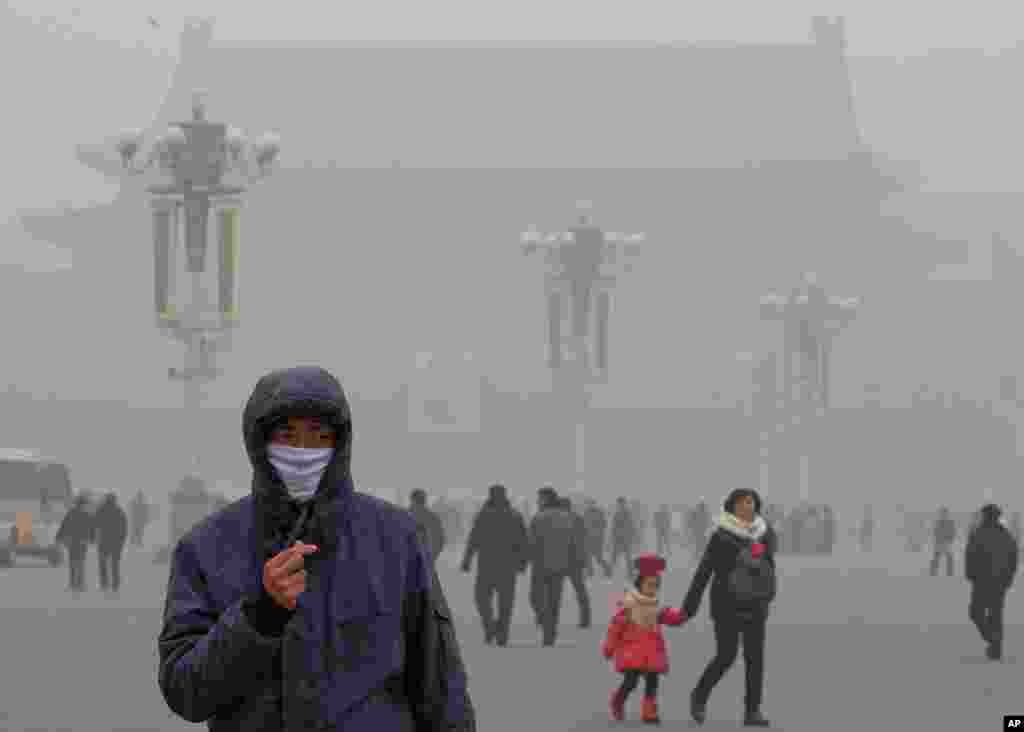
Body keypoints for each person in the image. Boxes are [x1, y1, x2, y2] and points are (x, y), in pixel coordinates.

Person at [157, 366, 476, 731]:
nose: (302, 451)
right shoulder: (207, 546)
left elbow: (440, 686)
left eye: (318, 435)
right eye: (286, 435)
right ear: (258, 441)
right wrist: (257, 618)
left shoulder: (397, 538)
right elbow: (185, 691)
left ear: (339, 444)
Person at [680, 489, 777, 727]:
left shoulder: (764, 533)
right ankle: (699, 695)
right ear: (731, 506)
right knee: (726, 655)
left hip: (755, 603)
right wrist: (689, 607)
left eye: (752, 502)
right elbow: (704, 572)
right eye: (743, 502)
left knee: (756, 658)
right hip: (726, 604)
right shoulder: (721, 536)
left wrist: (767, 590)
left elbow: (769, 569)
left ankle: (752, 711)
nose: (748, 506)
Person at [603, 554, 685, 724]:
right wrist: (609, 647)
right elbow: (615, 627)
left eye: (656, 586)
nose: (652, 589)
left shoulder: (656, 606)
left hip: (652, 652)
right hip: (631, 651)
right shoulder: (628, 605)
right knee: (630, 682)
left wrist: (682, 616)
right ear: (639, 584)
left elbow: (670, 617)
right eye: (649, 585)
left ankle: (649, 713)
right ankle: (618, 700)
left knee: (652, 683)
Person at [461, 483, 529, 646]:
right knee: (506, 602)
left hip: (487, 565)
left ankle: (490, 626)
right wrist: (522, 562)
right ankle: (502, 634)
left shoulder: (483, 515)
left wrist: (467, 560)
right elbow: (523, 542)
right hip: (508, 566)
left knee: (481, 599)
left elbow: (474, 539)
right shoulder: (514, 515)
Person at [964, 503, 1019, 661]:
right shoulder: (1005, 535)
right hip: (999, 582)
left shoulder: (979, 533)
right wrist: (1009, 577)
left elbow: (970, 554)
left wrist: (970, 574)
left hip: (982, 581)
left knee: (976, 612)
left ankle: (992, 639)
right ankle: (995, 644)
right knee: (995, 614)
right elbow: (1013, 558)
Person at [528, 486, 579, 646]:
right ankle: (550, 633)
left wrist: (524, 560)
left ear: (545, 500)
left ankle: (544, 620)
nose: (537, 501)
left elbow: (531, 542)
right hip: (561, 565)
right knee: (554, 600)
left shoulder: (539, 517)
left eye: (539, 498)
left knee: (535, 597)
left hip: (540, 564)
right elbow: (574, 542)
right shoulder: (567, 518)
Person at [561, 496, 592, 629]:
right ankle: (585, 619)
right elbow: (584, 540)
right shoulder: (578, 519)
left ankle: (547, 619)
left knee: (553, 591)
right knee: (580, 590)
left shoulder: (557, 519)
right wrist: (586, 560)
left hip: (560, 559)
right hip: (576, 560)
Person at [56, 495, 94, 593]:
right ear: (82, 504)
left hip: (72, 541)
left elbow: (64, 526)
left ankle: (73, 584)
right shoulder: (86, 515)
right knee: (80, 563)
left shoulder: (71, 513)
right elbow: (91, 529)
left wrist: (59, 537)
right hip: (82, 542)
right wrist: (91, 539)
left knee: (73, 563)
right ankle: (80, 584)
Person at [94, 492, 128, 594]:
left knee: (103, 563)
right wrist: (122, 541)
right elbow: (124, 528)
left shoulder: (101, 510)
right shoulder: (119, 511)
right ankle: (115, 584)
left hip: (104, 541)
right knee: (115, 564)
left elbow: (95, 524)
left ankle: (104, 583)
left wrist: (95, 537)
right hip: (116, 542)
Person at [409, 489, 446, 566]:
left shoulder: (403, 516)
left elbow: (440, 540)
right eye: (419, 500)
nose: (420, 502)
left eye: (421, 500)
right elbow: (440, 541)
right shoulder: (433, 518)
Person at [609, 498, 636, 579]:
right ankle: (609, 572)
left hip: (625, 539)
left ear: (624, 504)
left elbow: (631, 526)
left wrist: (631, 537)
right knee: (614, 557)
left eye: (621, 504)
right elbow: (613, 526)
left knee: (628, 557)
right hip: (618, 539)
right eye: (619, 504)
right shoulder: (617, 514)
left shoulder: (627, 513)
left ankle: (630, 574)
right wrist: (613, 536)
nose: (620, 505)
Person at [929, 506, 957, 577]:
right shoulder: (939, 522)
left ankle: (950, 573)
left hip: (946, 542)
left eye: (945, 513)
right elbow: (935, 531)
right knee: (936, 558)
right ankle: (933, 573)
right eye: (942, 513)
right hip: (940, 542)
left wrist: (950, 539)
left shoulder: (949, 522)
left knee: (949, 558)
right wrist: (937, 540)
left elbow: (953, 532)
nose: (944, 515)